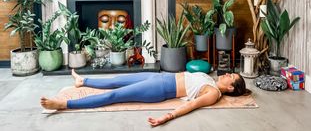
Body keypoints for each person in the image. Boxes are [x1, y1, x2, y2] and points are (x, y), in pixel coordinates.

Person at [41, 70, 249, 127]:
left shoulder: (213, 93)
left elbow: (192, 105)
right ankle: (83, 81)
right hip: (158, 77)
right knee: (117, 80)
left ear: (231, 87)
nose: (227, 74)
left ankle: (64, 104)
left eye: (231, 76)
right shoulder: (211, 80)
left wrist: (167, 117)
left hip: (159, 89)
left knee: (114, 96)